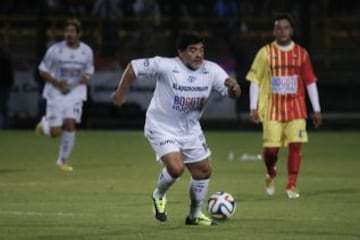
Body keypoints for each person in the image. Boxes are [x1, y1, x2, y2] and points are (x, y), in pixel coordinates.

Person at [111, 32, 241, 225]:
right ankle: (159, 194)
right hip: (161, 126)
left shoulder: (212, 70)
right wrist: (121, 92)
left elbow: (233, 95)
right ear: (180, 53)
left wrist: (234, 87)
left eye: (201, 50)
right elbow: (133, 67)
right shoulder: (166, 65)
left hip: (190, 129)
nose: (198, 54)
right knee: (176, 167)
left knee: (203, 171)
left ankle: (194, 215)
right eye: (192, 50)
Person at [246, 13, 322, 199]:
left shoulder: (302, 54)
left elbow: (310, 81)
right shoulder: (265, 53)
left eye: (286, 28)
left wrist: (317, 109)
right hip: (272, 109)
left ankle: (291, 185)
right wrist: (253, 107)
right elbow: (254, 80)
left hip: (296, 108)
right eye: (279, 28)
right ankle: (271, 172)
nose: (282, 31)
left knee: (296, 146)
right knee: (271, 151)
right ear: (274, 31)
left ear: (291, 30)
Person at [35, 18, 94, 171]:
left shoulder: (86, 52)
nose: (69, 34)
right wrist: (56, 82)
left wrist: (85, 79)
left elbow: (89, 72)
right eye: (67, 31)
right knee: (55, 132)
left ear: (79, 34)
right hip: (55, 92)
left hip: (75, 93)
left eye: (72, 31)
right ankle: (44, 124)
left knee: (70, 124)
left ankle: (62, 161)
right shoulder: (55, 50)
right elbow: (42, 69)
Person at [0, 45, 14, 129]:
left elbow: (9, 75)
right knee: (4, 108)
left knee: (3, 108)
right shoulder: (6, 58)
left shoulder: (5, 59)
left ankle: (5, 126)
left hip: (4, 86)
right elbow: (10, 75)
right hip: (5, 86)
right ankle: (5, 126)